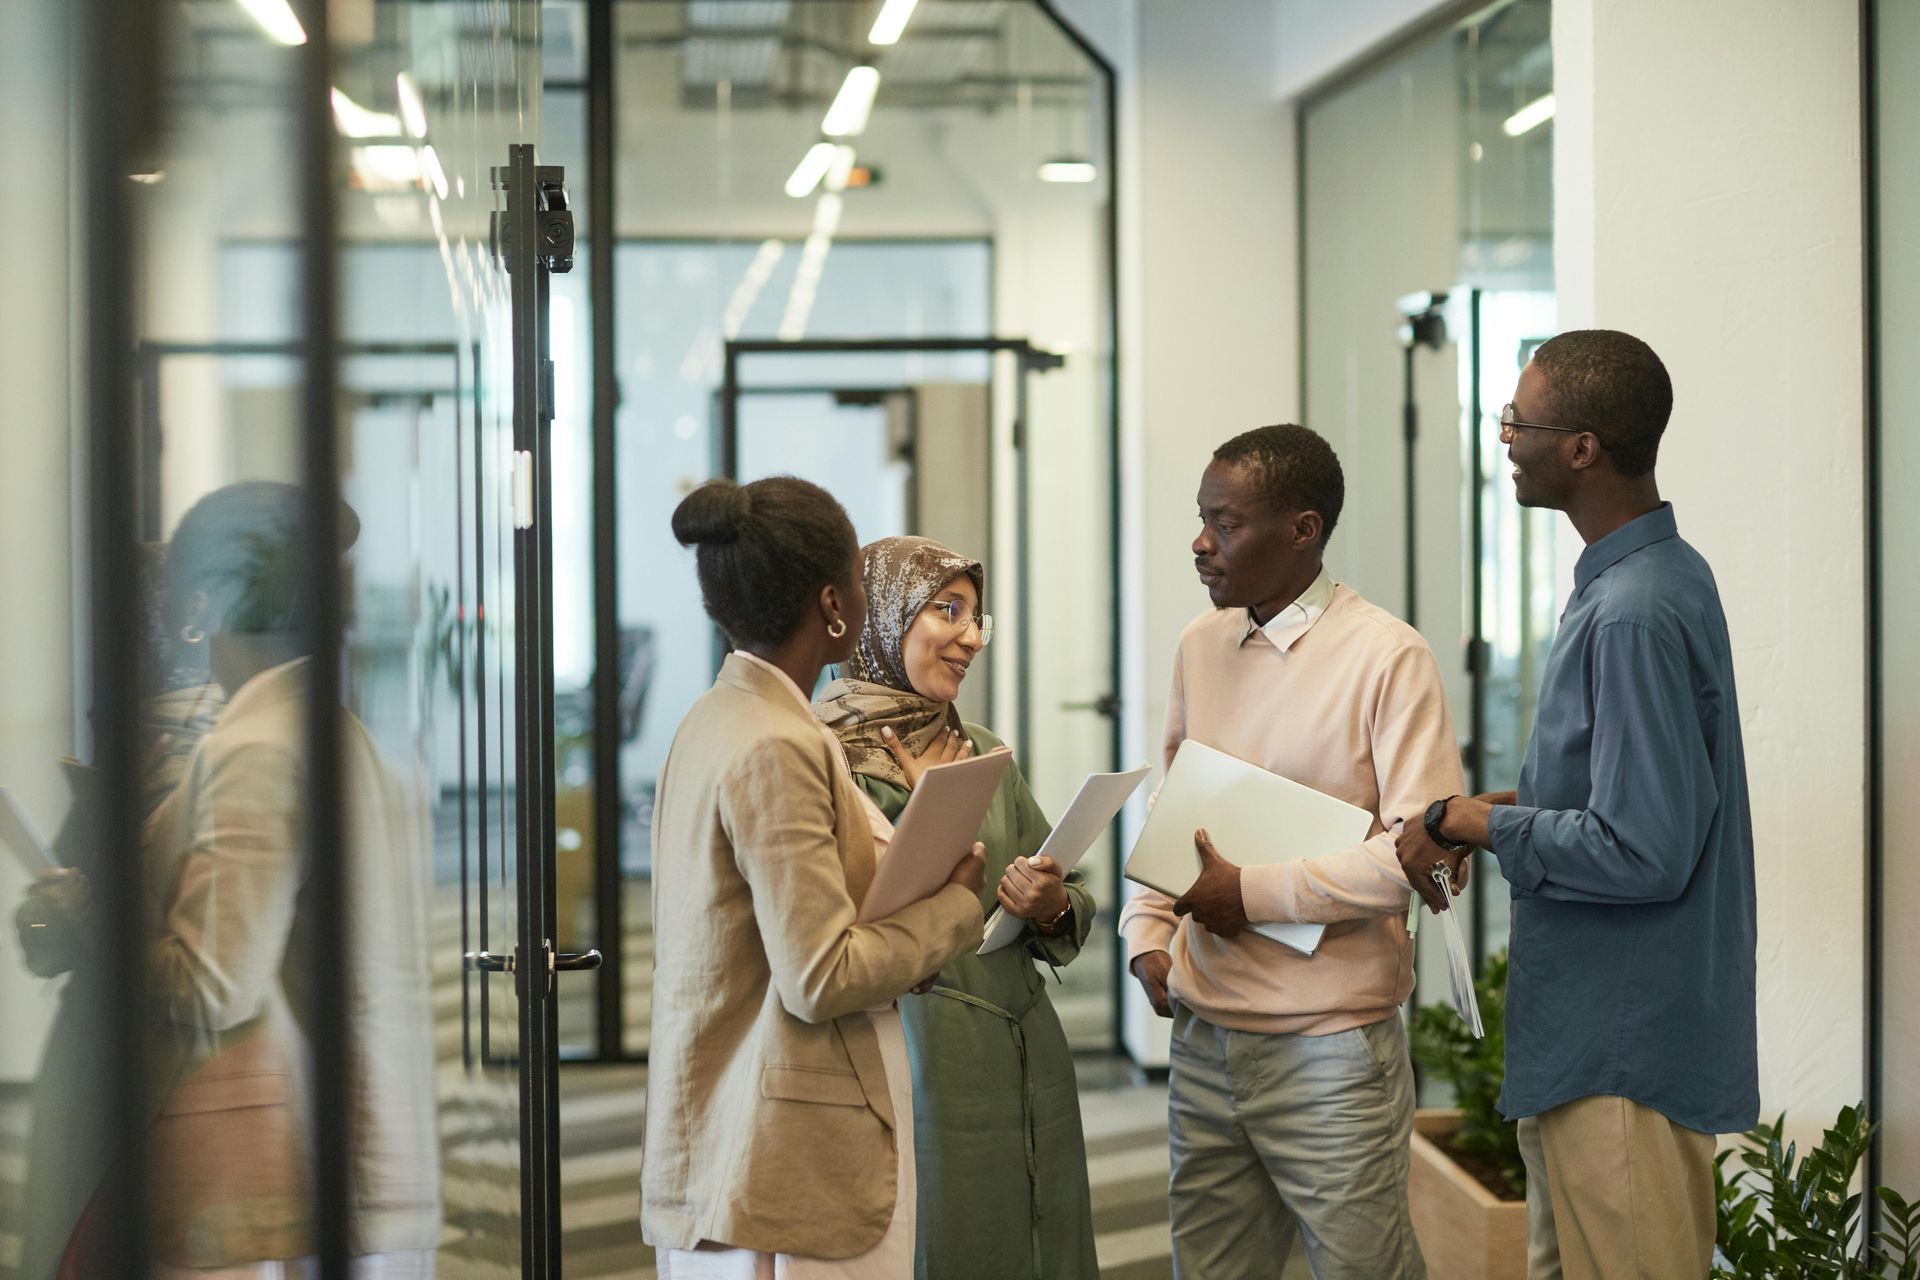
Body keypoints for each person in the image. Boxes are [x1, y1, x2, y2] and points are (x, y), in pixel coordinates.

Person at [1398, 330, 1757, 1280]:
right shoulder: (1648, 579)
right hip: (1593, 1042)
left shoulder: (1633, 608)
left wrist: (1472, 823)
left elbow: (1644, 846)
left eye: (1520, 419)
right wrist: (1483, 809)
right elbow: (1630, 793)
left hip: (1621, 1053)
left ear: (1584, 446)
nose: (1506, 437)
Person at [18, 481, 443, 1280]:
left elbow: (214, 985)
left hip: (259, 1160)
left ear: (206, 602)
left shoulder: (256, 744)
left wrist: (95, 928)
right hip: (332, 1141)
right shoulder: (328, 726)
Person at [1117, 425, 1464, 1280]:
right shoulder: (1202, 645)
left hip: (1331, 1052)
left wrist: (1255, 894)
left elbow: (1427, 858)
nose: (1201, 543)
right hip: (1202, 1040)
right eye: (1201, 520)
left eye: (1225, 524)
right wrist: (1147, 930)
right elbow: (1172, 807)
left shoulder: (1389, 654)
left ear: (1303, 530)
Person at [644, 479, 987, 1278]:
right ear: (834, 603)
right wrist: (954, 907)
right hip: (783, 1146)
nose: (868, 600)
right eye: (862, 585)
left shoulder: (719, 716)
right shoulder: (778, 742)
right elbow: (819, 974)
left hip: (734, 1119)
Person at [814, 536, 1098, 1280]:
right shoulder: (824, 758)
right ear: (884, 617)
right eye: (948, 610)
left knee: (1045, 1234)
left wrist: (1048, 904)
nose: (972, 637)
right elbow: (829, 937)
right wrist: (924, 826)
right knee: (950, 1240)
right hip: (918, 1053)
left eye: (978, 617)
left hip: (1027, 1044)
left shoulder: (981, 749)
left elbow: (1067, 887)